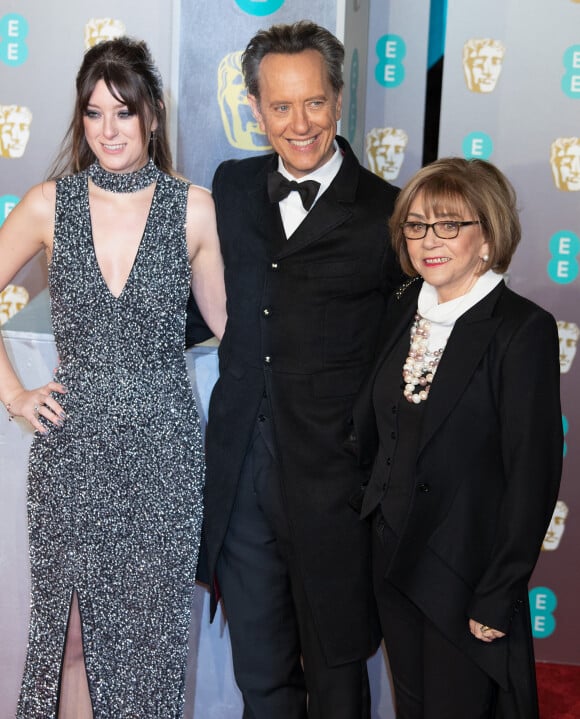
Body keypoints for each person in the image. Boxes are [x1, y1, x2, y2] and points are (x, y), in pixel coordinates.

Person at [0, 37, 226, 718]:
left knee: (152, 643)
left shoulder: (194, 208)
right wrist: (15, 395)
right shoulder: (49, 204)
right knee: (69, 639)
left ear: (151, 116)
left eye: (123, 113)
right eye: (94, 113)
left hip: (164, 453)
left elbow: (232, 328)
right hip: (73, 452)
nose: (108, 130)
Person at [194, 19, 401, 719]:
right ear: (254, 109)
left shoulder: (387, 215)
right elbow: (203, 302)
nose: (300, 123)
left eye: (314, 102)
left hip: (337, 487)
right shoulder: (230, 186)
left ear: (339, 98)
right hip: (242, 475)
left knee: (340, 680)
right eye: (280, 106)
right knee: (261, 676)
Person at [353, 157, 562, 718]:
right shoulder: (403, 308)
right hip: (392, 561)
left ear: (488, 236)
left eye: (449, 224)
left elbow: (532, 475)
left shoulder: (521, 329)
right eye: (417, 225)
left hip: (462, 574)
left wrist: (498, 591)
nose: (429, 240)